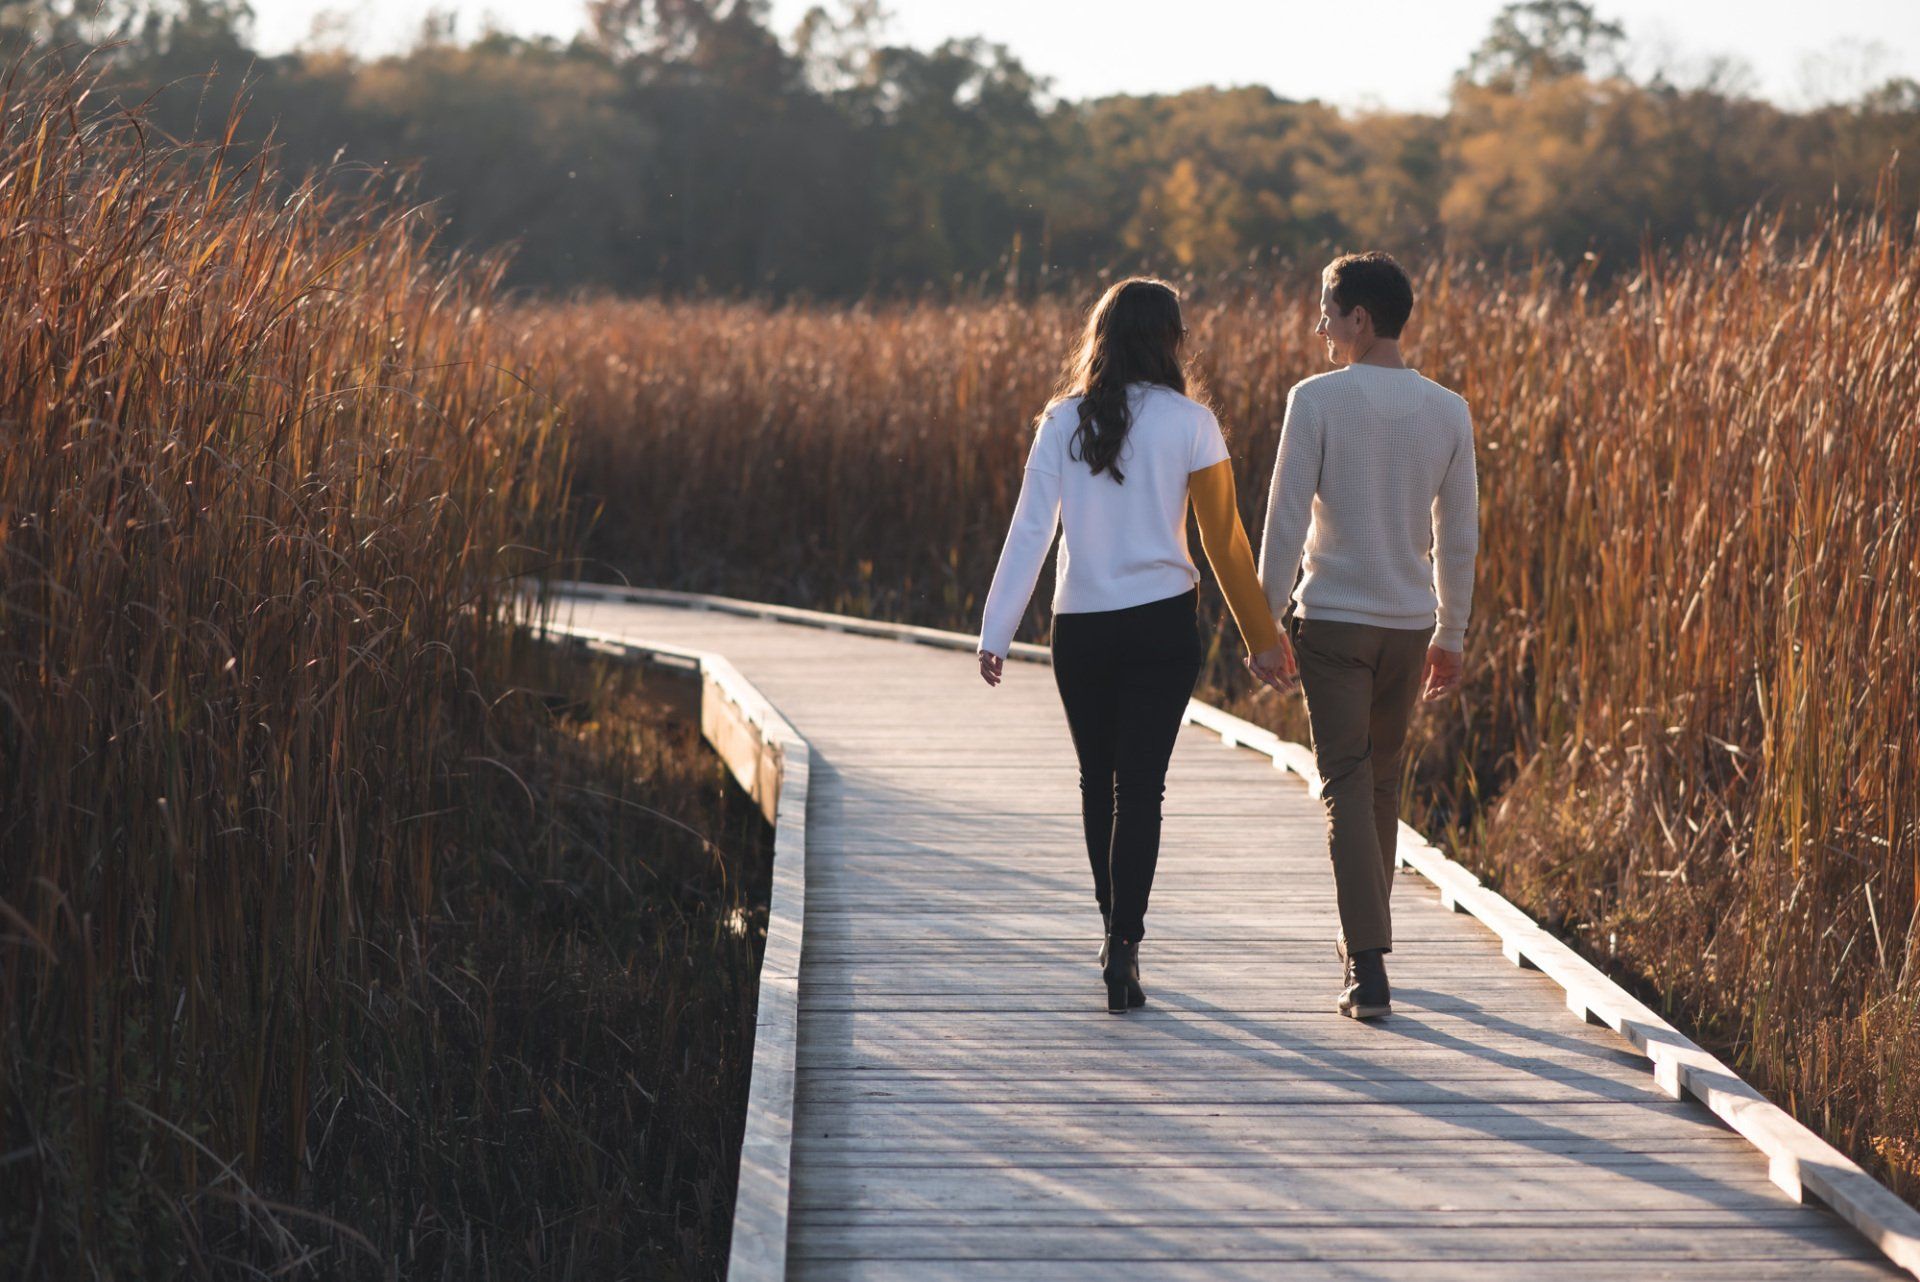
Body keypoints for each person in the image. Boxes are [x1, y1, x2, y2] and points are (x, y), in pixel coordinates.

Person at [976, 277, 1292, 1015]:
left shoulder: (1062, 421)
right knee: (1139, 789)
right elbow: (1224, 542)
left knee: (1097, 782)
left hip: (1080, 625)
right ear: (1170, 340)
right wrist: (1263, 638)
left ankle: (1109, 927)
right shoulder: (1193, 423)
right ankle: (1125, 943)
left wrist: (997, 630)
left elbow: (1031, 530)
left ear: (1102, 338)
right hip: (1161, 625)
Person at [1249, 250, 1480, 1021]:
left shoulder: (1314, 401)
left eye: (1327, 309)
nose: (1318, 324)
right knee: (1378, 782)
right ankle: (1366, 946)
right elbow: (1460, 535)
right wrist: (1452, 631)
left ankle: (1368, 966)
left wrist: (1262, 624)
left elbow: (1284, 522)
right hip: (1409, 627)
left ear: (1361, 319)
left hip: (1336, 623)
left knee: (1347, 781)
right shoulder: (1449, 410)